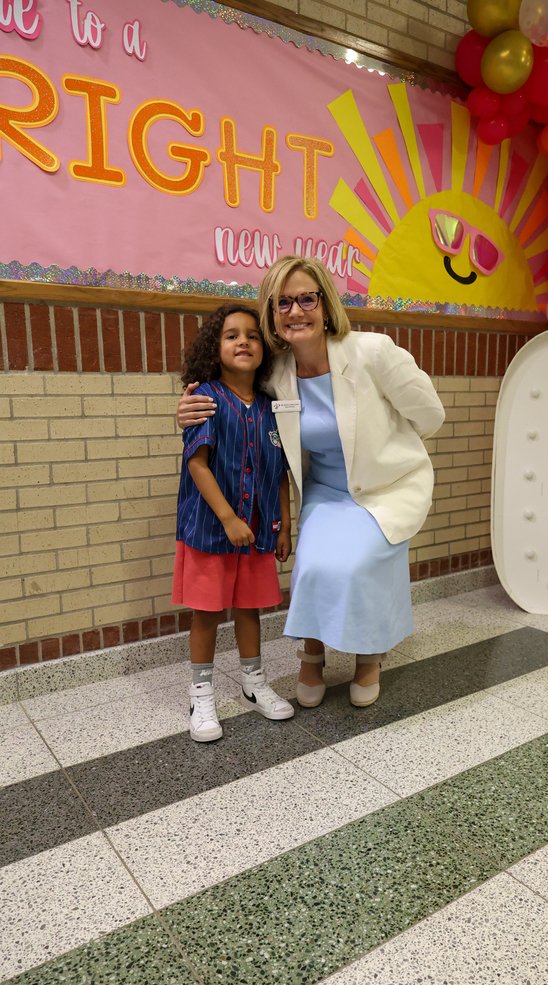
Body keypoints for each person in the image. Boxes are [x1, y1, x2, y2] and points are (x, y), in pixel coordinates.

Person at [178, 257, 444, 709]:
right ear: (272, 314)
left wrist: (386, 447)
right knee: (315, 566)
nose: (295, 311)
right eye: (283, 303)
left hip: (387, 488)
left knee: (360, 565)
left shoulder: (373, 352)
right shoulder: (275, 371)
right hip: (325, 490)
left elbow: (430, 416)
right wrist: (184, 408)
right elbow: (227, 386)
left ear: (325, 304)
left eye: (306, 298)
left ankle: (368, 656)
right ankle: (313, 653)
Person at [173, 303, 294, 743]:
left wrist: (283, 521)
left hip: (258, 532)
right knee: (206, 614)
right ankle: (200, 693)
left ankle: (253, 683)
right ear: (215, 347)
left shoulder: (271, 408)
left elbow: (280, 469)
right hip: (211, 531)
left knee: (250, 610)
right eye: (231, 335)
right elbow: (197, 465)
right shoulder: (204, 397)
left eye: (252, 335)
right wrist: (227, 518)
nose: (243, 341)